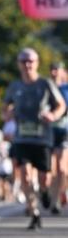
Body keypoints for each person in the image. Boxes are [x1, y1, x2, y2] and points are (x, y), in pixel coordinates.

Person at [2, 47, 66, 229]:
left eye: (31, 61)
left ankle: (45, 192)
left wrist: (53, 115)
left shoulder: (45, 84)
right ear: (19, 64)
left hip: (42, 139)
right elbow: (5, 107)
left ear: (37, 63)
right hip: (22, 138)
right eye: (24, 61)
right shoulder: (15, 86)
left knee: (44, 178)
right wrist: (7, 114)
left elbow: (61, 105)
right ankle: (34, 211)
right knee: (25, 176)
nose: (27, 64)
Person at [49, 61, 68, 215]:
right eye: (53, 69)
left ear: (63, 71)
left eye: (58, 69)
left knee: (62, 168)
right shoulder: (46, 88)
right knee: (52, 169)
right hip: (48, 131)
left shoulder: (66, 88)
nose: (55, 72)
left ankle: (58, 197)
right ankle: (53, 198)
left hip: (65, 130)